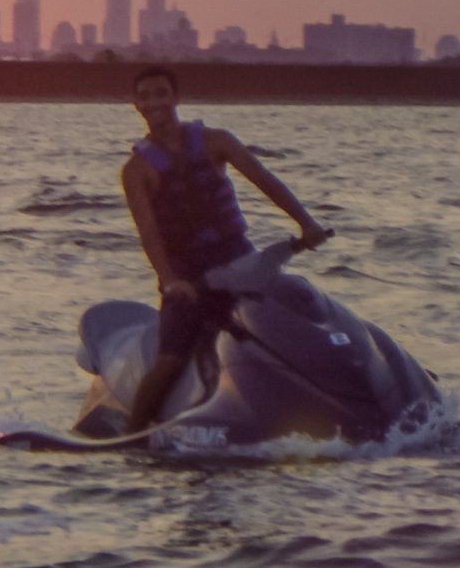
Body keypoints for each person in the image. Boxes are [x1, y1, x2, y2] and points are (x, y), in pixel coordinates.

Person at [120, 65, 330, 434]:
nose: (154, 102)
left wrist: (306, 224)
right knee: (170, 361)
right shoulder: (136, 170)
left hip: (239, 262)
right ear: (136, 105)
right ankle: (132, 437)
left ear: (176, 97)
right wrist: (169, 280)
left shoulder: (216, 141)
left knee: (299, 310)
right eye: (145, 96)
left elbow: (264, 180)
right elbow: (149, 234)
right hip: (188, 277)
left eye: (161, 93)